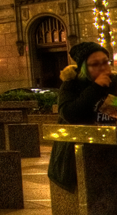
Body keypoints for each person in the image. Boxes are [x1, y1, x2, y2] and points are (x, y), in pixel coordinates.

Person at [47, 41, 116, 191]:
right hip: (78, 156)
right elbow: (70, 114)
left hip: (111, 150)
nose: (103, 68)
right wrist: (95, 88)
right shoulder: (72, 85)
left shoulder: (114, 83)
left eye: (105, 62)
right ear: (84, 67)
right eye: (95, 64)